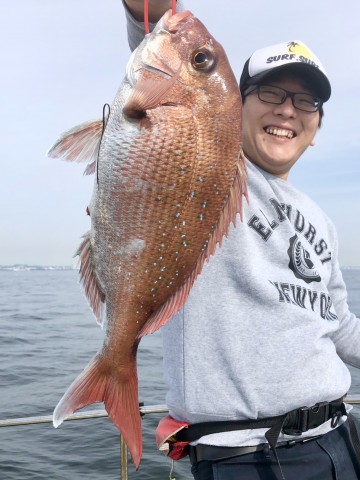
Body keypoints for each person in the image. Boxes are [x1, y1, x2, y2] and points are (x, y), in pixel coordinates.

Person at [122, 1, 360, 479]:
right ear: (235, 104)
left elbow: (337, 325)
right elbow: (168, 68)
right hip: (249, 459)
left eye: (306, 102)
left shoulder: (321, 219)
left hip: (339, 437)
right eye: (271, 92)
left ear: (315, 130)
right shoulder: (211, 172)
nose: (288, 110)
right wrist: (144, 13)